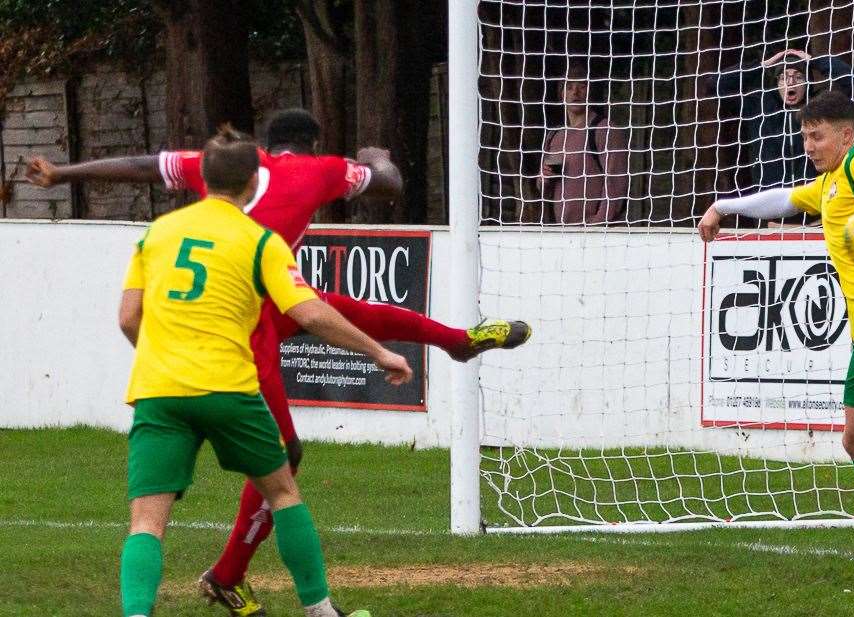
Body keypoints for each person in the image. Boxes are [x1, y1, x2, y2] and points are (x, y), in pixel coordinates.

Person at [27, 108, 532, 616]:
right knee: (287, 458)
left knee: (149, 517)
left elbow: (140, 167)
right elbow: (388, 183)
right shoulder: (315, 176)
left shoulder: (170, 219)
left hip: (170, 369)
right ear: (308, 147)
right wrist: (374, 154)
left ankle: (456, 340)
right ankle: (267, 590)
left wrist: (63, 173)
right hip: (247, 327)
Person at [118, 125, 412, 617]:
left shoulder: (156, 235)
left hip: (158, 389)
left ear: (205, 181)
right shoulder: (261, 242)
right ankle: (320, 612)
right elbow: (310, 313)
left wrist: (163, 356)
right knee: (282, 492)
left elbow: (129, 317)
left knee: (146, 523)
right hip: (231, 391)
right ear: (254, 183)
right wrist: (379, 353)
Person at [698, 90, 854, 559]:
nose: (808, 145)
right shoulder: (831, 183)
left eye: (817, 136)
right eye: (804, 136)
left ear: (846, 134)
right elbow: (783, 200)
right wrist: (724, 206)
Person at [704, 48, 854, 195]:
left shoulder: (821, 106)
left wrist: (815, 61)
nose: (791, 83)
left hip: (814, 206)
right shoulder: (758, 105)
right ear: (776, 83)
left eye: (798, 77)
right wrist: (762, 65)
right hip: (769, 207)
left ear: (807, 82)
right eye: (784, 77)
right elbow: (714, 85)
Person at [537, 63, 631, 224]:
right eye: (569, 87)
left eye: (582, 86)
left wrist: (597, 225)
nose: (575, 92)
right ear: (562, 94)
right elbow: (545, 190)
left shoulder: (604, 129)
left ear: (590, 92)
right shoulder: (554, 136)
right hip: (561, 233)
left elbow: (616, 184)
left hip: (596, 235)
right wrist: (543, 179)